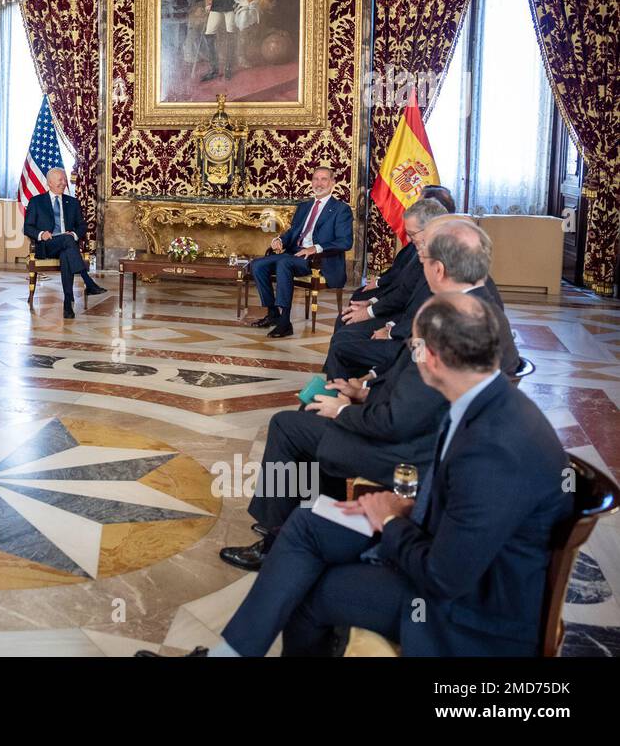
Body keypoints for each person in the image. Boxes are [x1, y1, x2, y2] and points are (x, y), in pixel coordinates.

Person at [141, 293, 571, 657]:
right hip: (430, 535)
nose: (410, 357)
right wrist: (408, 506)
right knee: (306, 526)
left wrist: (390, 519)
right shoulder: (478, 400)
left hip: (465, 613)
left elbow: (445, 575)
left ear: (435, 358)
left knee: (315, 589)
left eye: (414, 348)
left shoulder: (496, 449)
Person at [220, 211, 507, 572]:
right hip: (412, 431)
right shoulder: (471, 303)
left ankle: (278, 537)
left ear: (439, 268)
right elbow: (413, 384)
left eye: (424, 252)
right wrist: (363, 387)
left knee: (289, 426)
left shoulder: (456, 319)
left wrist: (345, 410)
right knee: (310, 410)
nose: (418, 257)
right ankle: (311, 524)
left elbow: (402, 418)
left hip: (411, 455)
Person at [324, 219, 519, 381]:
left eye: (425, 256)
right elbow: (416, 355)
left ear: (439, 269)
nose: (420, 262)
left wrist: (350, 403)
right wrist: (371, 379)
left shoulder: (458, 320)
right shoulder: (464, 300)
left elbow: (417, 383)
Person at [249, 167, 353, 338]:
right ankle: (273, 313)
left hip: (318, 259)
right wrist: (281, 240)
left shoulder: (341, 209)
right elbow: (293, 232)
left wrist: (315, 248)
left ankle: (285, 322)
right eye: (316, 179)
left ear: (333, 183)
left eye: (324, 179)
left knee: (284, 263)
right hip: (295, 253)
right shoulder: (304, 206)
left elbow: (345, 242)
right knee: (258, 264)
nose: (319, 183)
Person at [335, 197, 447, 333]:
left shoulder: (436, 257)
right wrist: (372, 302)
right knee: (345, 320)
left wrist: (389, 329)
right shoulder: (420, 248)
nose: (407, 239)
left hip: (405, 325)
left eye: (412, 234)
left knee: (345, 336)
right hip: (398, 313)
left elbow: (411, 301)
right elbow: (400, 279)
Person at [22, 168, 106, 319]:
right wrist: (41, 234)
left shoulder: (72, 202)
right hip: (48, 245)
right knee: (68, 242)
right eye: (60, 180)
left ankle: (68, 304)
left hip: (67, 245)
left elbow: (81, 226)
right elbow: (27, 227)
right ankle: (88, 282)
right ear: (49, 182)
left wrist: (73, 234)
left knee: (67, 251)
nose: (63, 183)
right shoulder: (36, 201)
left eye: (64, 179)